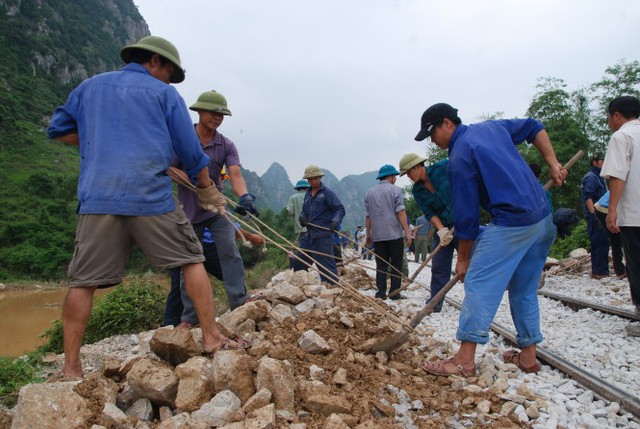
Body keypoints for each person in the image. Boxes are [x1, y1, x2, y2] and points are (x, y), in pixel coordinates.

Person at [46, 35, 242, 377]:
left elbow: (59, 130)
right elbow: (192, 152)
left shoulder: (90, 88)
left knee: (82, 282)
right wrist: (206, 189)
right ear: (154, 61)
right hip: (150, 196)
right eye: (169, 72)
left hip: (98, 198)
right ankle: (211, 336)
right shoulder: (164, 94)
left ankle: (71, 367)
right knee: (191, 258)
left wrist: (100, 138)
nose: (169, 79)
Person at [414, 103, 566, 377]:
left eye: (432, 134)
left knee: (479, 282)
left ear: (447, 123)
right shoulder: (492, 128)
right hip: (543, 220)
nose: (434, 142)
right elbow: (534, 126)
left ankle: (464, 360)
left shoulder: (459, 157)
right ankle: (528, 357)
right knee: (523, 289)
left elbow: (467, 218)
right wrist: (553, 164)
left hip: (512, 224)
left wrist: (463, 259)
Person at [172, 90, 260, 311]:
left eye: (221, 114)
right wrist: (193, 181)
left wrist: (245, 197)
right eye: (212, 112)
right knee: (190, 260)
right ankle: (190, 316)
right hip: (189, 211)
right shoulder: (183, 138)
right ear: (199, 111)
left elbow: (235, 175)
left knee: (230, 251)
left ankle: (239, 302)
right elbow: (169, 167)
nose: (217, 117)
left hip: (216, 209)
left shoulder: (226, 145)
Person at [164, 226, 265, 327]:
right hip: (207, 245)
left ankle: (171, 324)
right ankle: (241, 302)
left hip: (180, 245)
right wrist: (251, 237)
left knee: (179, 286)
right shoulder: (214, 210)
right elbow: (228, 226)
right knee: (231, 273)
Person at [399, 153, 457, 313]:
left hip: (462, 221)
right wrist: (441, 230)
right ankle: (435, 303)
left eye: (409, 173)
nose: (409, 177)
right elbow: (429, 213)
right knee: (438, 265)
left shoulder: (443, 167)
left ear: (417, 167)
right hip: (444, 227)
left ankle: (477, 304)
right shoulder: (417, 191)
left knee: (470, 263)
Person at [601, 96, 640, 326]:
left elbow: (617, 175)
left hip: (634, 214)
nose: (609, 122)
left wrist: (611, 209)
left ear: (617, 115)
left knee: (636, 262)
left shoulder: (621, 136)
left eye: (609, 117)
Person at [364, 165, 412, 300]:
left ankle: (381, 292)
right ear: (390, 177)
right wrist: (407, 232)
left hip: (378, 236)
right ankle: (394, 293)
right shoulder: (395, 190)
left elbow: (368, 216)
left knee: (381, 264)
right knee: (396, 263)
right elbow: (401, 212)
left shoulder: (369, 192)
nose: (395, 179)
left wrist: (369, 234)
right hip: (394, 234)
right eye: (394, 176)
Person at [294, 165, 346, 284]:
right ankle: (303, 287)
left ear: (319, 178)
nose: (312, 181)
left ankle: (333, 289)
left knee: (326, 267)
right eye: (310, 179)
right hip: (308, 235)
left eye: (314, 178)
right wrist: (302, 218)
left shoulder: (328, 193)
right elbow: (304, 210)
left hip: (323, 235)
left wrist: (335, 221)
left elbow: (340, 209)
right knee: (299, 262)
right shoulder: (308, 194)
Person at [581, 153, 610, 279]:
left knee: (603, 242)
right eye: (602, 160)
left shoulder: (600, 177)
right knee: (599, 242)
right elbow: (588, 198)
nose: (604, 162)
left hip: (601, 214)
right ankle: (599, 272)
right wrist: (594, 215)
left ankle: (601, 271)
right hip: (595, 216)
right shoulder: (591, 177)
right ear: (595, 162)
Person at [594, 191, 626, 279]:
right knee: (617, 239)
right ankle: (620, 271)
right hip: (605, 209)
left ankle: (620, 270)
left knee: (617, 240)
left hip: (602, 206)